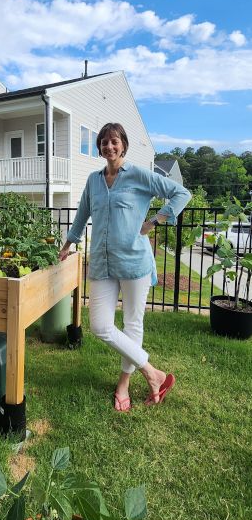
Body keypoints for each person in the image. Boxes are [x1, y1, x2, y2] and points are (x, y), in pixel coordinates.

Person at [59, 122, 191, 412]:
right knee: (100, 326)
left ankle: (124, 385)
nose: (109, 146)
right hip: (103, 263)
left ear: (123, 145)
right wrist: (68, 244)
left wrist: (156, 220)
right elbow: (82, 213)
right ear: (100, 148)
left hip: (135, 262)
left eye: (114, 141)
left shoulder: (139, 175)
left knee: (133, 324)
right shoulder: (94, 180)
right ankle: (153, 374)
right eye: (104, 142)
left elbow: (181, 194)